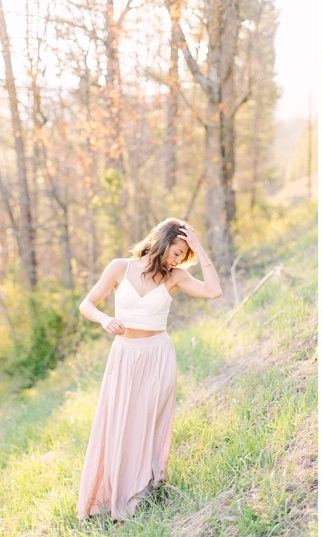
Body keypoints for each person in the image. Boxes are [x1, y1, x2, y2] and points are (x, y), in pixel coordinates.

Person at [77, 218, 222, 521]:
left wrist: (199, 248)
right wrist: (105, 320)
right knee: (118, 422)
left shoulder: (176, 277)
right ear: (162, 240)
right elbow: (87, 304)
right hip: (124, 355)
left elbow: (213, 292)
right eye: (177, 251)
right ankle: (111, 491)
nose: (178, 259)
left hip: (157, 356)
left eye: (183, 255)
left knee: (146, 423)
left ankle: (142, 489)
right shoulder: (120, 267)